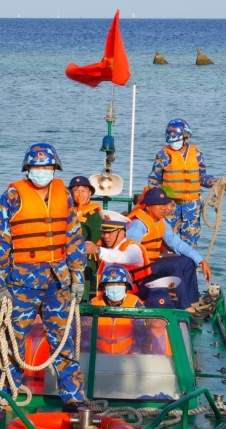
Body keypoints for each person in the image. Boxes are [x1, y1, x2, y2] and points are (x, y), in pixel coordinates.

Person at [0, 142, 87, 411]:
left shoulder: (64, 195)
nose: (42, 171)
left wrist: (78, 276)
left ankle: (74, 398)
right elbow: (0, 242)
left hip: (58, 280)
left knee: (63, 341)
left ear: (54, 169)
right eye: (37, 167)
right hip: (22, 281)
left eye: (47, 167)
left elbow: (74, 237)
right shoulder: (11, 196)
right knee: (13, 341)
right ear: (28, 169)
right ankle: (2, 398)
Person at [125, 188, 211, 311]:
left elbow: (177, 244)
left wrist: (201, 261)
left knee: (187, 261)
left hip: (151, 266)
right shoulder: (138, 224)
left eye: (165, 204)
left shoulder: (160, 222)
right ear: (148, 206)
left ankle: (193, 302)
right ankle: (185, 307)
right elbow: (129, 255)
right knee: (174, 265)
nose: (164, 208)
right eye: (159, 205)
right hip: (138, 273)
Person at [148, 119, 218, 248]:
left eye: (176, 140)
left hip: (192, 210)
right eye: (171, 141)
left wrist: (215, 182)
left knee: (191, 247)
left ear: (185, 138)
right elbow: (153, 180)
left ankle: (191, 267)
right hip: (170, 209)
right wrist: (157, 203)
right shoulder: (163, 155)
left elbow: (201, 176)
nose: (173, 144)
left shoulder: (197, 153)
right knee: (168, 245)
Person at [90, 265, 143, 354]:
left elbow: (143, 335)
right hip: (98, 360)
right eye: (110, 284)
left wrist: (136, 355)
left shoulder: (135, 304)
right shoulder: (93, 304)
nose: (115, 287)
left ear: (126, 286)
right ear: (104, 287)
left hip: (128, 360)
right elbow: (85, 337)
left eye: (119, 284)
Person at [69, 175, 103, 296]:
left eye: (84, 191)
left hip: (86, 259)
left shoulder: (95, 215)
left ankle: (82, 302)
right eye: (76, 191)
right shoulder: (66, 211)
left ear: (90, 194)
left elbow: (91, 241)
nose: (81, 194)